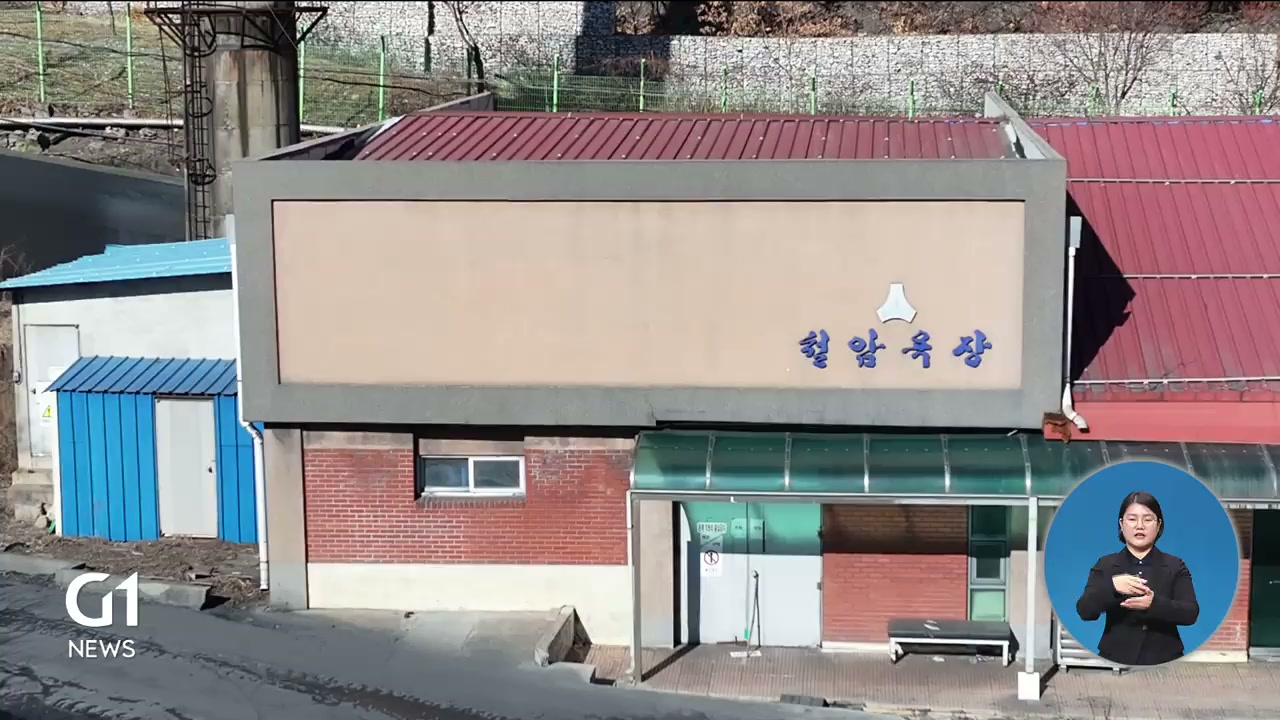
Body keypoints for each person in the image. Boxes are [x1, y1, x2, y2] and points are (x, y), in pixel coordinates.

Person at [1075, 490, 1200, 666]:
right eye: (1132, 519)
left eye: (1147, 519)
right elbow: (1085, 611)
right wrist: (1112, 587)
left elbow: (1190, 613)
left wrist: (1154, 604)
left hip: (1165, 661)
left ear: (1158, 525)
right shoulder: (1106, 564)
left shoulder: (1175, 565)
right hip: (1115, 661)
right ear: (1121, 524)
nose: (1139, 526)